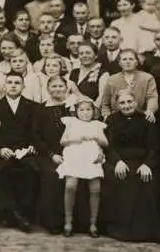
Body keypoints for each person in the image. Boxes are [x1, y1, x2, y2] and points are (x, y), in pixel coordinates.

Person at [102, 90, 160, 242]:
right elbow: (108, 145)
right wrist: (117, 161)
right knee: (121, 179)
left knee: (146, 180)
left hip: (142, 160)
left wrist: (147, 164)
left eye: (129, 102)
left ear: (136, 103)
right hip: (119, 161)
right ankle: (121, 229)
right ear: (117, 105)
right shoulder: (111, 120)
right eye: (122, 103)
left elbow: (153, 146)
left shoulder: (145, 119)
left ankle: (146, 231)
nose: (126, 105)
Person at [35, 76, 91, 234]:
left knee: (80, 172)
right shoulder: (40, 109)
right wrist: (52, 155)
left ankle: (80, 222)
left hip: (75, 150)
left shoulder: (73, 107)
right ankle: (54, 222)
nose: (57, 89)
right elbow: (36, 136)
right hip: (50, 153)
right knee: (54, 175)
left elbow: (86, 126)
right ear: (48, 89)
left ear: (67, 88)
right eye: (53, 86)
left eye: (61, 86)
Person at [0, 72, 40, 233]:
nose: (13, 85)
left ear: (23, 86)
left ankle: (22, 213)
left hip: (26, 151)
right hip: (6, 151)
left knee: (31, 171)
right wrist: (1, 147)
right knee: (0, 172)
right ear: (4, 86)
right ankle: (13, 213)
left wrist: (32, 146)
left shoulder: (33, 106)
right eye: (10, 82)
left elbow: (36, 130)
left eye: (17, 82)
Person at [56, 99, 107, 237]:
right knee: (70, 186)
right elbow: (62, 141)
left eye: (88, 110)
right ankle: (68, 222)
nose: (85, 113)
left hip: (91, 158)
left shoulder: (97, 125)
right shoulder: (71, 123)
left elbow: (105, 143)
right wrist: (75, 139)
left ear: (93, 111)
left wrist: (96, 137)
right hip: (74, 157)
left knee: (95, 189)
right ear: (76, 112)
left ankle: (93, 223)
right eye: (81, 110)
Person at [101, 48, 158, 122]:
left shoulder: (147, 78)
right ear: (119, 63)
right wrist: (107, 116)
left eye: (131, 59)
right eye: (124, 59)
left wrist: (150, 110)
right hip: (117, 119)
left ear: (137, 62)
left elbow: (152, 97)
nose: (127, 62)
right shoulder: (112, 80)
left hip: (140, 118)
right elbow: (105, 103)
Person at [69, 42, 109, 108]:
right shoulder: (74, 72)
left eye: (88, 53)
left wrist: (93, 111)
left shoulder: (103, 73)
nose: (84, 55)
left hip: (92, 111)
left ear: (96, 55)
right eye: (81, 53)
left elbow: (102, 97)